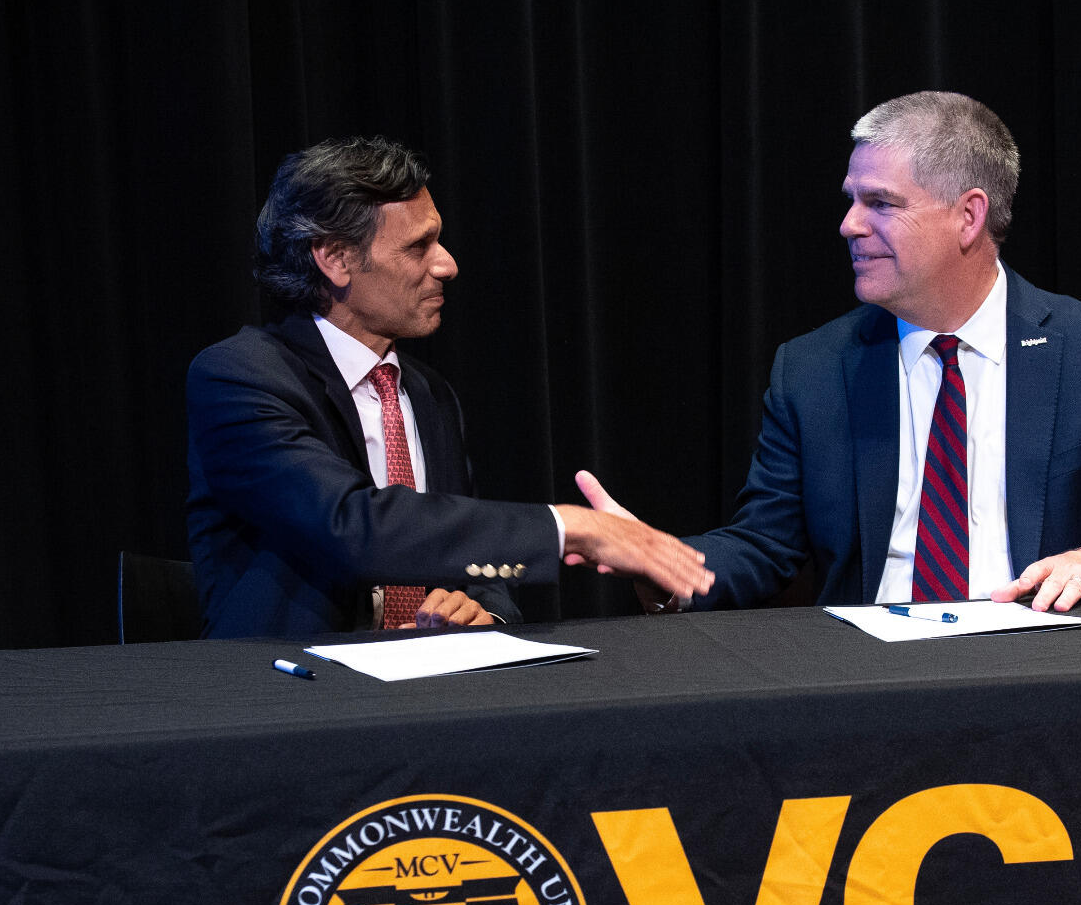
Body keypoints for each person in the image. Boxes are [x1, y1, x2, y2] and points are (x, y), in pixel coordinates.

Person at [580, 91, 1081, 612]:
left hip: (1046, 663)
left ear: (969, 218)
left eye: (880, 203)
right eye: (851, 199)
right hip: (873, 679)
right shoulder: (815, 370)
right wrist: (658, 557)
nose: (849, 224)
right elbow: (763, 546)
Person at [188, 137, 711, 638]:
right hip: (288, 694)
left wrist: (482, 611)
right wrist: (571, 527)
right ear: (336, 259)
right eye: (419, 247)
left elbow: (468, 563)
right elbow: (350, 526)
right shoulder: (239, 376)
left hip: (424, 692)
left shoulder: (426, 391)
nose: (447, 264)